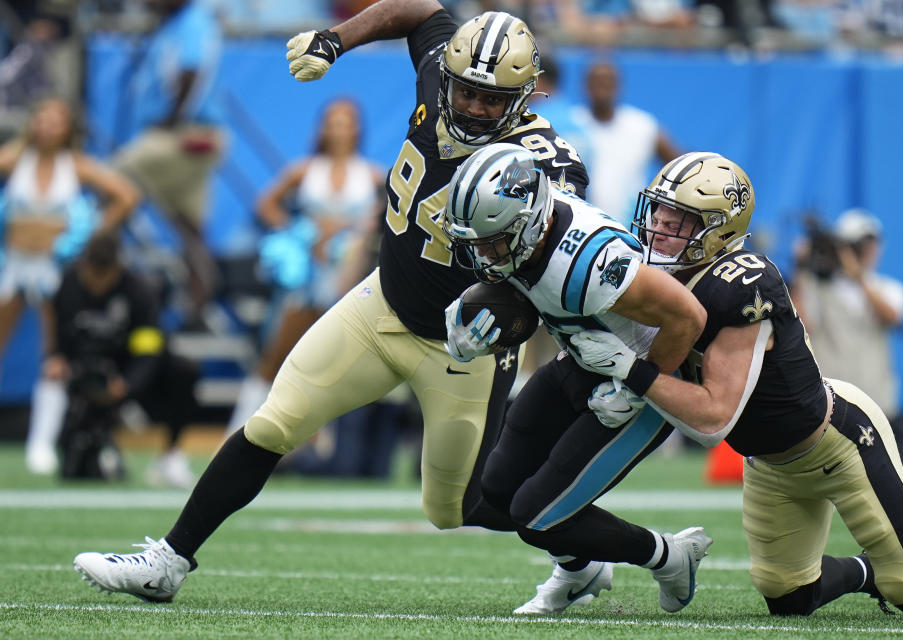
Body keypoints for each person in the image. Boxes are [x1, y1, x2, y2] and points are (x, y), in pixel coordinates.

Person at [73, 2, 590, 604]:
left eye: (492, 98)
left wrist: (510, 307)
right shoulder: (436, 72)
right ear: (446, 75)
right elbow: (420, 8)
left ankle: (582, 553)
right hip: (379, 306)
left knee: (458, 507)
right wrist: (334, 39)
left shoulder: (546, 163)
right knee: (272, 423)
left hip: (462, 346)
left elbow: (555, 258)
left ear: (525, 96)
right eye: (467, 90)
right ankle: (167, 561)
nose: (475, 106)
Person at [572, 151, 903, 619]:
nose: (659, 223)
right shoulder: (657, 274)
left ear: (719, 229)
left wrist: (629, 371)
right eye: (658, 208)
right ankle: (866, 572)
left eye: (678, 217)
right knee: (789, 597)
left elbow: (714, 416)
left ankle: (902, 576)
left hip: (838, 444)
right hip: (770, 465)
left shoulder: (743, 281)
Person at [441, 143, 711, 615]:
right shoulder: (529, 227)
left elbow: (687, 318)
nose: (483, 255)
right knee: (496, 491)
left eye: (492, 242)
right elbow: (524, 285)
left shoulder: (593, 263)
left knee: (536, 517)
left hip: (642, 381)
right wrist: (475, 317)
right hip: (585, 355)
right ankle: (580, 569)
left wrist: (636, 384)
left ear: (529, 221)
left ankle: (670, 556)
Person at [226, 98, 385, 436]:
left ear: (357, 129)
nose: (338, 130)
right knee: (278, 353)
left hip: (349, 283)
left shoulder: (371, 175)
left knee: (336, 362)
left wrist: (346, 232)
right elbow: (266, 204)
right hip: (306, 279)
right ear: (322, 128)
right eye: (332, 122)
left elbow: (385, 219)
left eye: (345, 122)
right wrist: (300, 230)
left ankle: (321, 443)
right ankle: (238, 431)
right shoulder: (304, 170)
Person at [0, 97, 139, 475]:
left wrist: (88, 233)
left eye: (56, 121)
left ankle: (41, 444)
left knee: (54, 352)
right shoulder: (15, 160)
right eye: (41, 118)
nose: (46, 127)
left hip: (52, 270)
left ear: (68, 129)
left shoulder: (75, 166)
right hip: (12, 266)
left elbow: (127, 196)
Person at [49, 231, 199, 486]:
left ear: (117, 268)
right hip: (84, 369)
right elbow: (59, 326)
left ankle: (170, 455)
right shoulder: (69, 283)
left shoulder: (139, 291)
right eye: (91, 274)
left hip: (129, 369)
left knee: (184, 370)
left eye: (103, 276)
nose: (96, 284)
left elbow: (149, 348)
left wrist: (127, 384)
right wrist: (56, 357)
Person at [111, 0, 225, 327]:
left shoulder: (193, 20)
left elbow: (193, 70)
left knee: (111, 180)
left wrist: (173, 118)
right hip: (194, 138)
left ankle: (99, 269)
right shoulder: (175, 22)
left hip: (183, 135)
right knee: (189, 225)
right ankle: (199, 306)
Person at [791, 209, 903, 487]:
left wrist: (858, 277)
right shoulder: (818, 287)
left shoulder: (888, 287)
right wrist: (801, 269)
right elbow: (803, 325)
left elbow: (893, 317)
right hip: (832, 401)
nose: (863, 252)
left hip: (879, 402)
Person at [571, 61, 680, 227]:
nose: (602, 87)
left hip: (630, 228)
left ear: (619, 86)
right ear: (585, 85)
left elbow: (679, 166)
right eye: (597, 81)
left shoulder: (642, 126)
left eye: (608, 81)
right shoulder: (571, 124)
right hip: (580, 226)